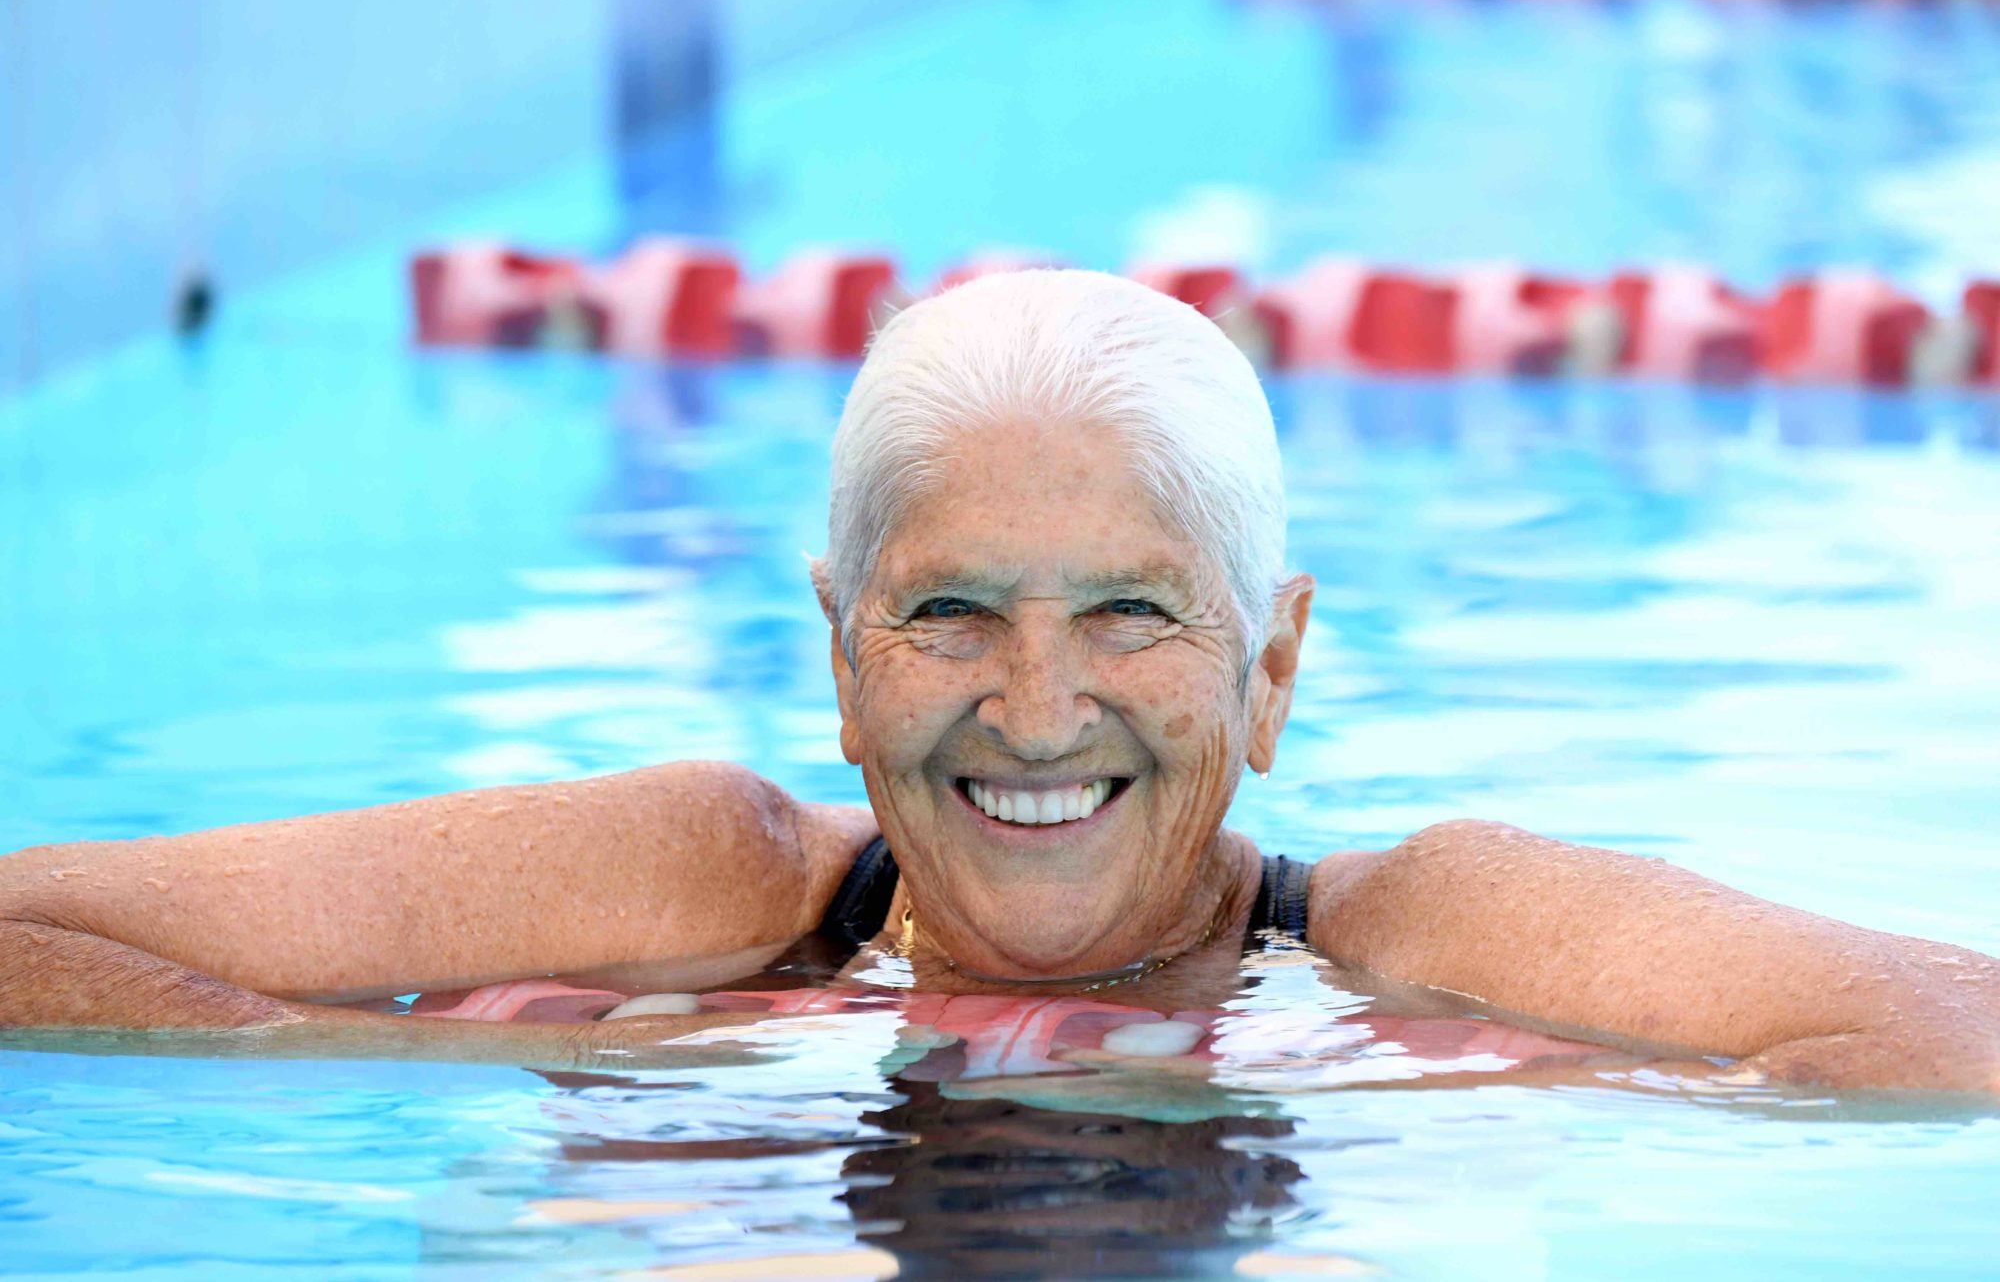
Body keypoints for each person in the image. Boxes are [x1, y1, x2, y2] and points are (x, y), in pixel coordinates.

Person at [1, 270, 1994, 1093]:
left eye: (1131, 614)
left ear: (1272, 666)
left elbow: (1943, 1042)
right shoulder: (709, 891)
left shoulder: (1408, 944)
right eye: (951, 613)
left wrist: (1608, 1080)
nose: (1036, 709)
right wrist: (386, 1051)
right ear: (840, 659)